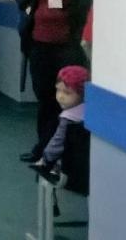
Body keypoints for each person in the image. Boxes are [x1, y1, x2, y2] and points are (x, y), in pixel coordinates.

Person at [11, 0, 93, 163]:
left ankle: (66, 154)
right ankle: (43, 149)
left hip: (68, 47)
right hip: (39, 45)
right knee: (46, 98)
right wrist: (27, 6)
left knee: (71, 99)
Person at [29, 65, 92, 194]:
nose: (60, 96)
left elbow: (57, 143)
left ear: (83, 93)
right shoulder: (91, 112)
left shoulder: (67, 118)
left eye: (67, 93)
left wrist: (45, 158)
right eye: (58, 90)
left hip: (69, 171)